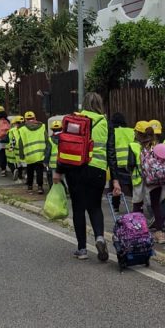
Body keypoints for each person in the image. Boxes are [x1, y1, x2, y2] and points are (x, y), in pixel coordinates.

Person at [53, 92, 117, 262]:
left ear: (84, 104)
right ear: (99, 104)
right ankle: (100, 238)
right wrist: (115, 179)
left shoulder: (75, 120)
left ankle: (82, 249)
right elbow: (111, 153)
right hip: (98, 171)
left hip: (76, 169)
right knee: (95, 207)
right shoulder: (105, 123)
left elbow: (65, 146)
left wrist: (58, 170)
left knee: (79, 208)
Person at [127, 122, 165, 245]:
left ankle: (139, 232)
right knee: (156, 205)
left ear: (138, 133)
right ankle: (160, 234)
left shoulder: (134, 146)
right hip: (156, 179)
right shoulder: (158, 145)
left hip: (140, 180)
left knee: (137, 205)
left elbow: (130, 165)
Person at [18, 110, 50, 195]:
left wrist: (21, 156)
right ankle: (40, 187)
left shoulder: (22, 129)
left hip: (29, 155)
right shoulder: (42, 126)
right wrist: (47, 152)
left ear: (25, 120)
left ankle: (30, 188)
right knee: (39, 171)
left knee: (30, 171)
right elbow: (47, 140)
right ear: (35, 118)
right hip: (40, 154)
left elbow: (20, 143)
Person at [110, 112, 133, 213]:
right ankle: (136, 206)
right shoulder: (131, 131)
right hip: (130, 163)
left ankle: (115, 207)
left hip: (117, 163)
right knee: (132, 186)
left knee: (116, 186)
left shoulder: (113, 132)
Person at [7, 115, 24, 181]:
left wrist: (11, 147)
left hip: (14, 150)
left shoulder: (12, 130)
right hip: (25, 150)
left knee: (17, 164)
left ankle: (17, 173)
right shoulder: (26, 129)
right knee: (23, 164)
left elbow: (12, 140)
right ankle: (22, 175)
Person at [46, 117, 62, 188]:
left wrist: (45, 162)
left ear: (52, 129)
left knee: (55, 180)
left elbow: (48, 152)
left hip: (53, 164)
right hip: (63, 162)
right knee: (64, 178)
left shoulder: (49, 139)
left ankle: (56, 192)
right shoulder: (65, 138)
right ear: (62, 128)